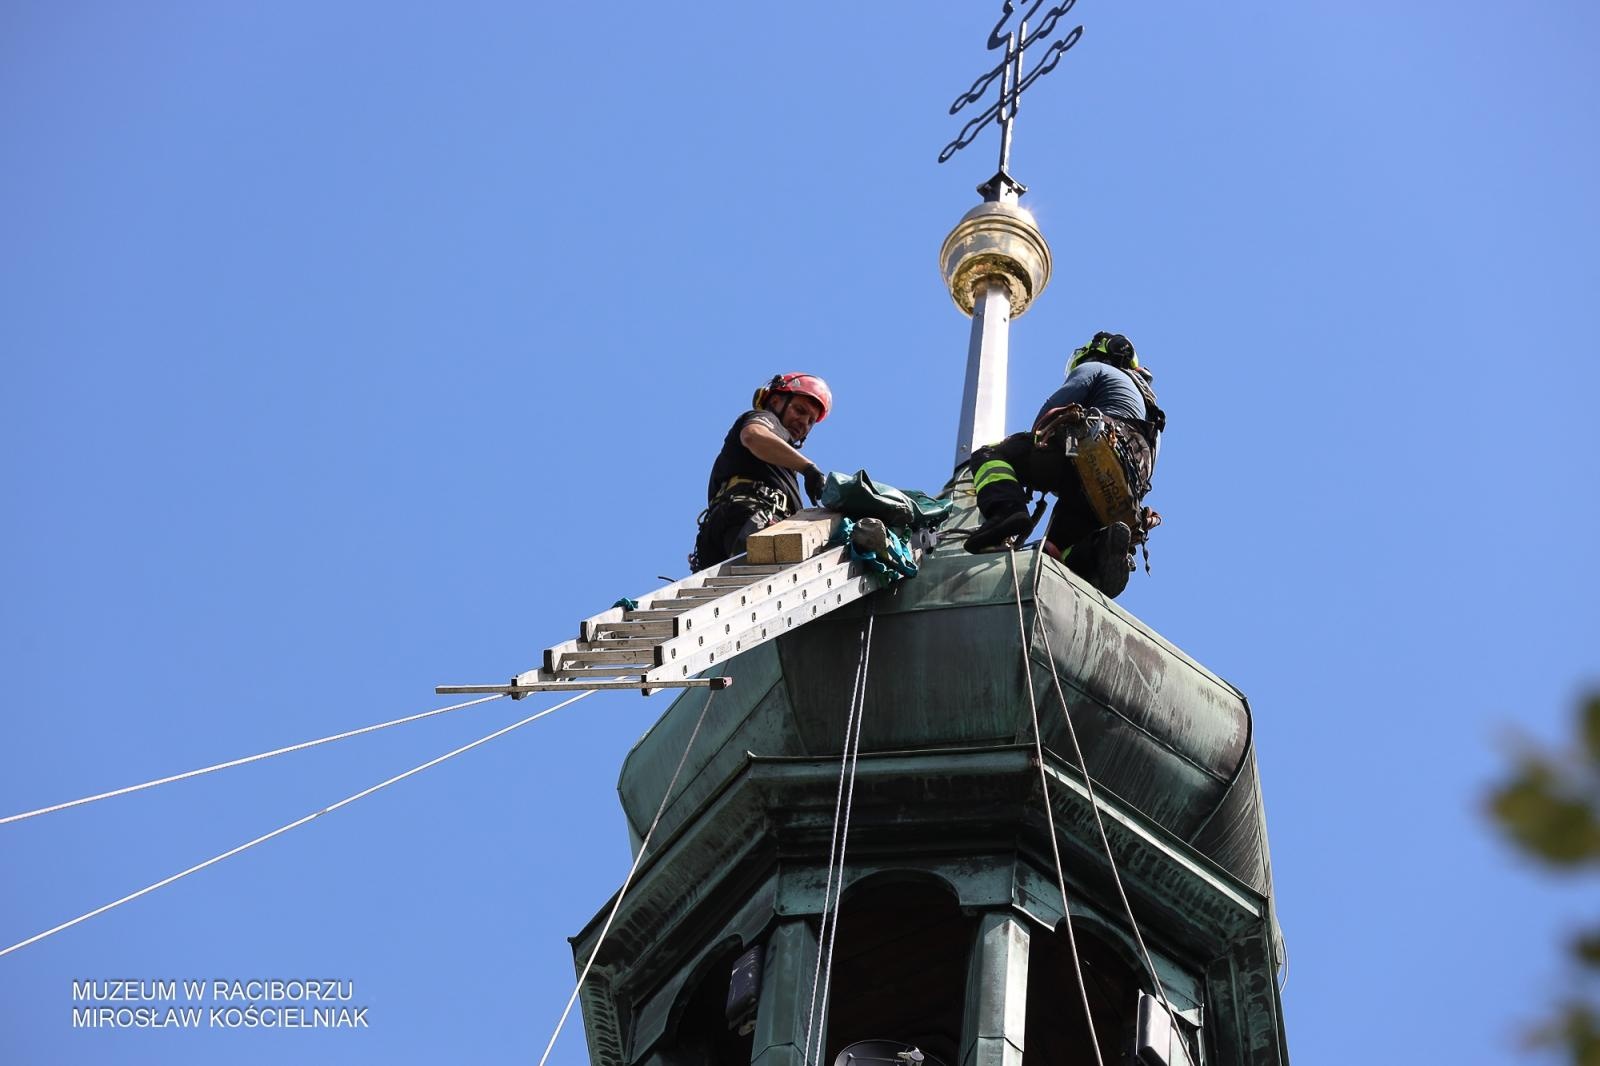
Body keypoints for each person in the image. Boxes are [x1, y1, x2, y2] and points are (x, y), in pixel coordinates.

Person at [963, 332, 1165, 598]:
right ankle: (1101, 551)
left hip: (1087, 450)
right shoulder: (1152, 417)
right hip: (1115, 491)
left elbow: (1053, 410)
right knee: (1056, 552)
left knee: (989, 455)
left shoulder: (1096, 368)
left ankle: (1006, 512)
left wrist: (1032, 451)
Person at [690, 372, 834, 571]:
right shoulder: (765, 419)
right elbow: (753, 435)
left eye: (811, 421)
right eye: (800, 410)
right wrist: (809, 469)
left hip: (726, 529)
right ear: (775, 402)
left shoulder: (780, 458)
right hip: (751, 519)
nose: (804, 423)